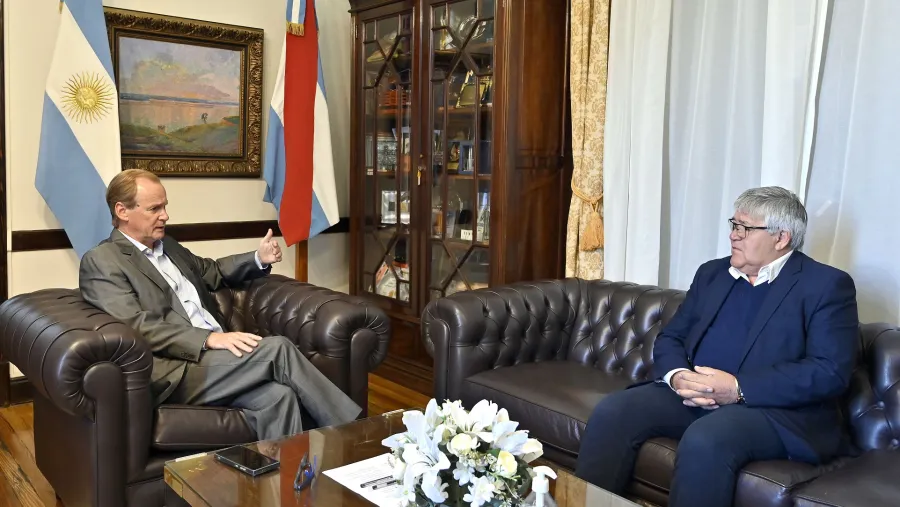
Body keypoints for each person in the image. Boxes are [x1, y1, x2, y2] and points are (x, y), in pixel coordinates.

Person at [574, 186, 859, 507]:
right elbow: (672, 337)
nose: (734, 235)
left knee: (706, 439)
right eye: (734, 225)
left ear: (781, 238)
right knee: (614, 411)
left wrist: (737, 389)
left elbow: (829, 371)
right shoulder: (713, 273)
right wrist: (677, 376)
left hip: (771, 411)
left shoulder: (825, 285)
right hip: (694, 394)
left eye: (745, 228)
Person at [79, 169, 361, 440]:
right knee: (278, 349)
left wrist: (257, 258)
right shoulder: (103, 260)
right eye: (155, 209)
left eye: (164, 206)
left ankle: (285, 473)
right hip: (176, 370)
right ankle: (355, 435)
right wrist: (208, 339)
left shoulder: (169, 245)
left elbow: (211, 271)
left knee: (278, 397)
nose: (165, 215)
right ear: (122, 211)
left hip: (217, 359)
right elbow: (137, 326)